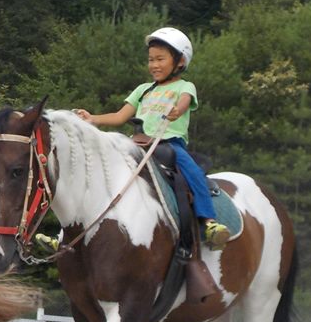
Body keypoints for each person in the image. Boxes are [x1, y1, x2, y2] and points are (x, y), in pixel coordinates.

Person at [74, 27, 230, 250]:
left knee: (193, 172)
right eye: (151, 60)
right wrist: (93, 119)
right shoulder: (143, 90)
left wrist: (178, 109)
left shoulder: (185, 86)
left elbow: (185, 100)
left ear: (180, 61)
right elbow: (120, 116)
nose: (154, 65)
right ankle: (69, 229)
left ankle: (209, 222)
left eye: (160, 59)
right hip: (136, 143)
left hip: (169, 144)